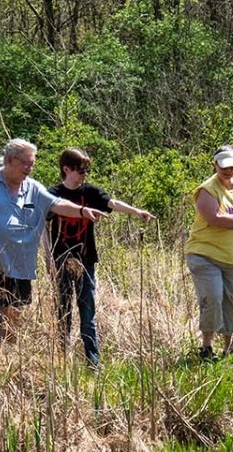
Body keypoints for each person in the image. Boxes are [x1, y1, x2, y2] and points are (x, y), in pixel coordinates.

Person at [0, 138, 106, 345]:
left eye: (32, 164)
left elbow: (58, 204)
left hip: (18, 265)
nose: (30, 168)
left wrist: (82, 211)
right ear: (9, 160)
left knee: (12, 317)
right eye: (25, 163)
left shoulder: (33, 188)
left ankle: (6, 360)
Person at [47, 147, 154, 367]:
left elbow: (112, 203)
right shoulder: (54, 195)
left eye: (87, 169)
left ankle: (93, 361)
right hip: (61, 259)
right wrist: (48, 257)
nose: (85, 174)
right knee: (63, 310)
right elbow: (42, 224)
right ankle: (61, 358)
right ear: (66, 169)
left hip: (86, 260)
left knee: (87, 312)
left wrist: (136, 212)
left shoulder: (90, 192)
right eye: (80, 170)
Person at [185, 145, 233, 360]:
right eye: (224, 166)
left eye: (232, 167)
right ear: (215, 164)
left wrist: (232, 221)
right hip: (205, 254)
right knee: (213, 298)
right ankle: (207, 347)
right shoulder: (207, 190)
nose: (228, 171)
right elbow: (214, 219)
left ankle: (228, 347)